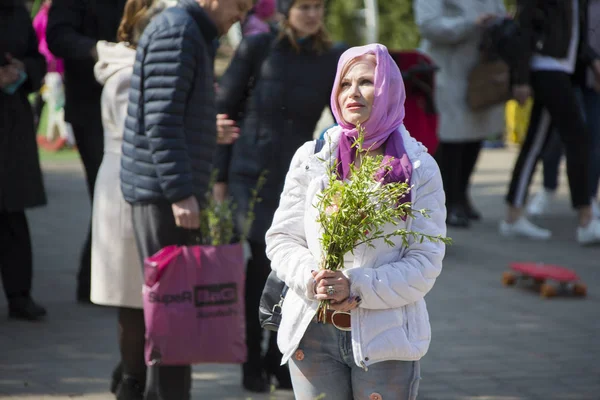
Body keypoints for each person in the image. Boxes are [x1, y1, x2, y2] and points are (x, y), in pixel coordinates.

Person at [264, 43, 446, 400]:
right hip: (311, 334)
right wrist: (311, 278)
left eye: (366, 81)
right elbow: (283, 238)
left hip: (385, 340)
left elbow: (425, 263)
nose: (352, 92)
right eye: (344, 83)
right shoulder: (313, 157)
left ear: (388, 89)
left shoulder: (419, 168)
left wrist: (356, 286)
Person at [120, 0, 252, 398]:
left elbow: (172, 112)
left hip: (166, 190)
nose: (241, 17)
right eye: (240, 5)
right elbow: (159, 121)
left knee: (174, 311)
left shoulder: (188, 30)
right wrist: (181, 192)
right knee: (172, 311)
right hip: (163, 195)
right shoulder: (178, 31)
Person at [214, 0, 346, 392]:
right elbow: (225, 111)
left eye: (319, 7)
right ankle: (252, 358)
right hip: (249, 173)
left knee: (295, 266)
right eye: (304, 6)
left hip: (299, 177)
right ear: (286, 10)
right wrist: (219, 177)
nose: (312, 13)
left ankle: (279, 354)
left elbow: (342, 117)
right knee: (260, 265)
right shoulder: (258, 47)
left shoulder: (332, 56)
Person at [90, 0, 171, 398]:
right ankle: (132, 379)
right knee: (131, 291)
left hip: (131, 179)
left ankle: (131, 368)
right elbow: (144, 135)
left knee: (144, 290)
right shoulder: (128, 75)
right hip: (128, 183)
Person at [500, 0, 600, 245]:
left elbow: (576, 34)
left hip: (562, 69)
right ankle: (586, 218)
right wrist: (521, 78)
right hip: (545, 67)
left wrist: (592, 61)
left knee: (536, 141)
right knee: (578, 137)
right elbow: (524, 27)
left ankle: (513, 216)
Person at [46, 0, 127, 303]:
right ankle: (97, 282)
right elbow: (57, 36)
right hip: (90, 109)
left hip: (127, 101)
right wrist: (96, 49)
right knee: (106, 193)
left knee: (117, 195)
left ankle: (96, 281)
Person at [414, 0, 506, 228]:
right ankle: (447, 201)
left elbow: (500, 12)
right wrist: (470, 23)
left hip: (479, 69)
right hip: (446, 69)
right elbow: (428, 25)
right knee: (451, 138)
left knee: (476, 135)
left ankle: (463, 195)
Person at [527, 0, 600, 219]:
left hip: (589, 79)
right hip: (567, 74)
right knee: (556, 140)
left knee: (591, 141)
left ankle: (587, 200)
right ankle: (550, 189)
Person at [0, 0, 47, 321]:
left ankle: (20, 294)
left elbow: (37, 57)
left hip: (11, 123)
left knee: (12, 213)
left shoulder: (16, 12)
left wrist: (22, 70)